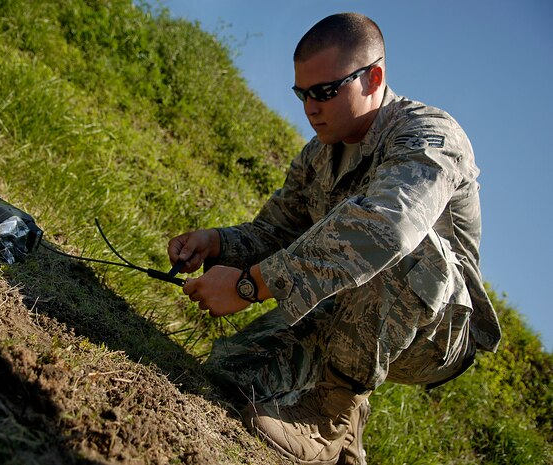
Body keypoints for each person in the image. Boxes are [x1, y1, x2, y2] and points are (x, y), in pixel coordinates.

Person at [167, 12, 501, 465]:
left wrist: (250, 286)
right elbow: (277, 231)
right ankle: (346, 439)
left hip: (433, 333)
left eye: (325, 92)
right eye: (302, 93)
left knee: (400, 243)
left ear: (373, 77)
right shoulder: (319, 154)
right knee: (231, 375)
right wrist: (216, 243)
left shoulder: (430, 135)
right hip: (342, 305)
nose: (311, 107)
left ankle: (330, 418)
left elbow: (387, 229)